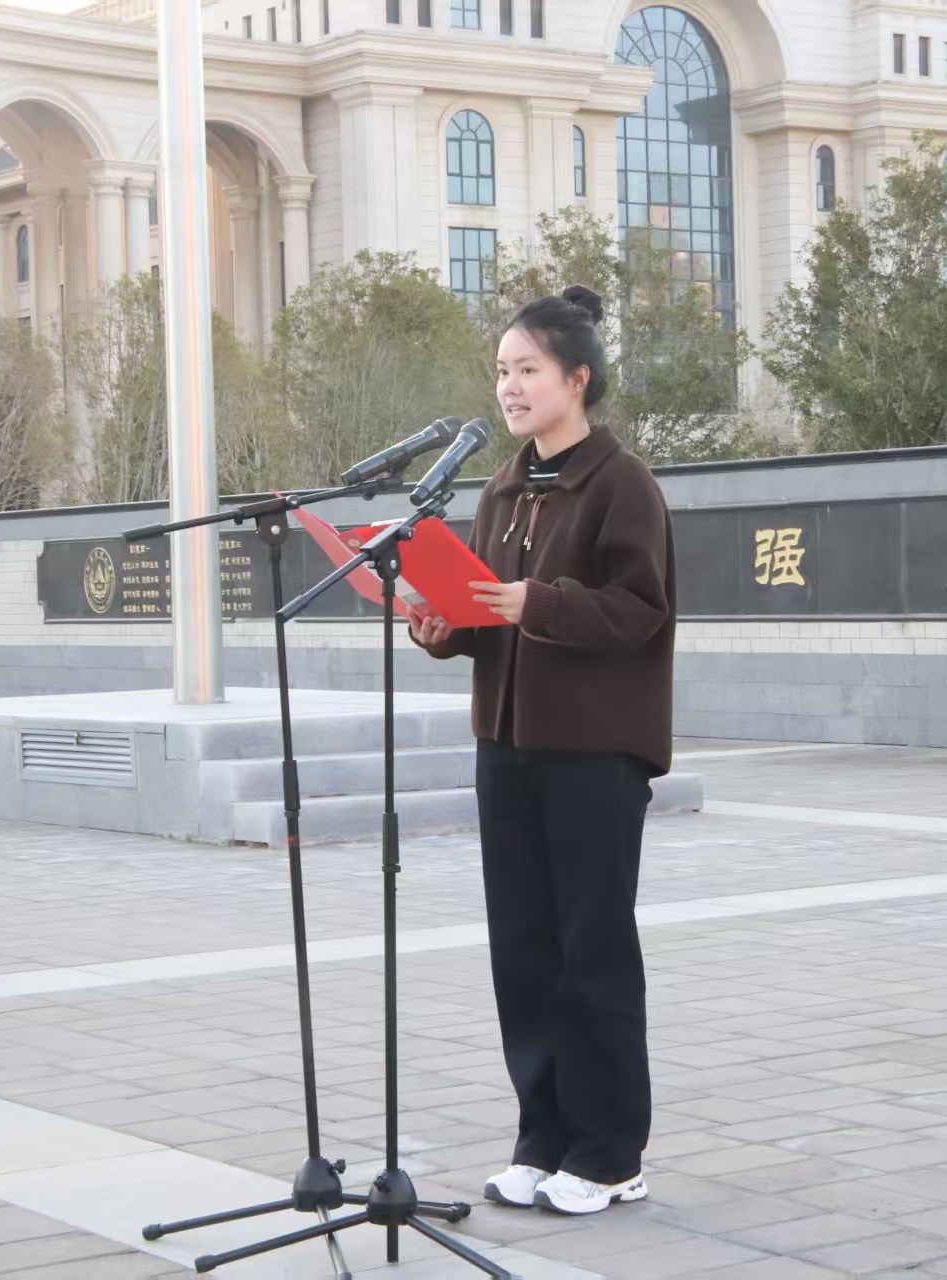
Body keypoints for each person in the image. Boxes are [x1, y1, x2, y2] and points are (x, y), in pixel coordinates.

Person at [411, 286, 677, 1217]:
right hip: (507, 743)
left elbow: (642, 611)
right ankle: (543, 1141)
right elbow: (487, 614)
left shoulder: (621, 485)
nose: (510, 387)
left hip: (594, 752)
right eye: (501, 371)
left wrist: (542, 603)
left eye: (527, 369)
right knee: (523, 952)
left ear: (578, 378)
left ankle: (610, 1155)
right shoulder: (501, 488)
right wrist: (441, 625)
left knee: (590, 949)